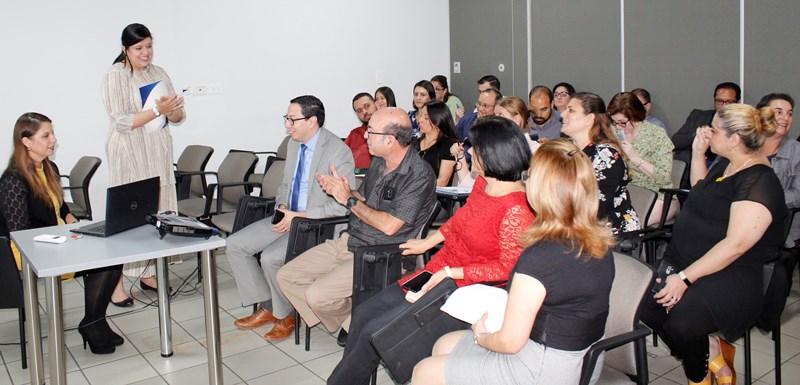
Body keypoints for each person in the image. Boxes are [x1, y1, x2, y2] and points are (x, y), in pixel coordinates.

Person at [327, 116, 535, 385]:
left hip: (461, 287)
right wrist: (429, 241)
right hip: (439, 272)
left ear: (493, 155)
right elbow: (461, 220)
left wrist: (453, 271)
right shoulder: (485, 184)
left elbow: (508, 268)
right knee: (365, 313)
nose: (470, 153)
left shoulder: (517, 210)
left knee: (376, 331)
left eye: (476, 149)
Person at [411, 138, 616, 385]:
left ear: (542, 191)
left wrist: (481, 335)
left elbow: (509, 342)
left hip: (545, 369)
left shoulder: (539, 257)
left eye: (529, 177)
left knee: (424, 371)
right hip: (585, 360)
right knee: (444, 344)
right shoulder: (599, 242)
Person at [641, 104, 786, 385]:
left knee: (682, 324)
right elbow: (700, 193)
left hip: (732, 273)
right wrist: (697, 153)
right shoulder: (727, 163)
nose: (708, 132)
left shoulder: (759, 180)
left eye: (715, 130)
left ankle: (699, 377)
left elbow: (736, 245)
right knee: (644, 303)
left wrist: (684, 278)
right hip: (690, 262)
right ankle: (711, 351)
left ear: (734, 139)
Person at [276, 107, 436, 343]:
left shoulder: (418, 174)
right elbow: (363, 200)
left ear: (390, 141)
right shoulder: (379, 163)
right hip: (351, 239)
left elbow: (390, 226)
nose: (364, 136)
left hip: (381, 251)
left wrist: (348, 200)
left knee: (317, 295)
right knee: (286, 276)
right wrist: (342, 190)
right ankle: (354, 318)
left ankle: (357, 319)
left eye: (371, 132)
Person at [226, 95, 355, 341]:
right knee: (234, 244)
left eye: (292, 119)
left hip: (315, 224)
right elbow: (286, 184)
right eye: (287, 119)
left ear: (312, 121)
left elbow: (342, 207)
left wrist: (299, 215)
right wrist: (284, 206)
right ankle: (271, 307)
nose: (287, 125)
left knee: (271, 258)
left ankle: (287, 317)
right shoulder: (293, 144)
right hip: (288, 214)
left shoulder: (338, 151)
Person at [0, 113, 124, 355]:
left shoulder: (49, 167)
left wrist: (70, 221)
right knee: (101, 263)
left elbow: (60, 206)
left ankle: (94, 320)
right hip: (28, 251)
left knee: (112, 257)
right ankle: (93, 325)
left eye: (52, 134)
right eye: (46, 135)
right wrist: (65, 239)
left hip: (57, 239)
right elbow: (20, 233)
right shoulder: (12, 180)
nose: (53, 140)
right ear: (26, 141)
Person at [102, 23, 185, 305]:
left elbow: (178, 117)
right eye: (139, 48)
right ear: (125, 49)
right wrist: (156, 110)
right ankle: (116, 284)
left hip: (157, 151)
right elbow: (122, 121)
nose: (146, 53)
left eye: (149, 46)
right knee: (131, 217)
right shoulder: (116, 76)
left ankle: (148, 273)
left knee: (157, 210)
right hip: (130, 152)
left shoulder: (158, 73)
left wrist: (172, 110)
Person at [560, 92, 640, 234]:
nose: (562, 115)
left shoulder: (607, 157)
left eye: (571, 110)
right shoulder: (567, 149)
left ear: (589, 119)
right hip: (577, 228)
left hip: (610, 234)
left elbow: (595, 209)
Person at [607, 92, 676, 226]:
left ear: (635, 116)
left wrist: (634, 157)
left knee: (630, 223)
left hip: (656, 193)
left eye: (622, 123)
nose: (618, 127)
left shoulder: (656, 134)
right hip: (625, 191)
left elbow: (664, 177)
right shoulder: (613, 132)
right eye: (614, 122)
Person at [672, 82, 741, 188]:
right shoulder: (698, 116)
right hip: (692, 174)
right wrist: (699, 135)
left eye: (729, 102)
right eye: (719, 101)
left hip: (723, 175)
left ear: (737, 102)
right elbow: (675, 141)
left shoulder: (741, 125)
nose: (723, 106)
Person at [755, 93, 800, 255]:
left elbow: (798, 195)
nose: (785, 118)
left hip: (779, 228)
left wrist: (760, 200)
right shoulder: (743, 145)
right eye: (779, 112)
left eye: (789, 113)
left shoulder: (797, 152)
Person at [415, 101, 458, 187]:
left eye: (426, 118)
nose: (420, 120)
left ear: (438, 121)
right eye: (421, 115)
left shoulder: (449, 145)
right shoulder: (414, 144)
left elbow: (442, 181)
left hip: (436, 196)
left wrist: (416, 189)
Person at [346, 92, 377, 169]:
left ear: (376, 104)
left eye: (367, 106)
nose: (364, 112)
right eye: (359, 110)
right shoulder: (354, 134)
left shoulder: (390, 130)